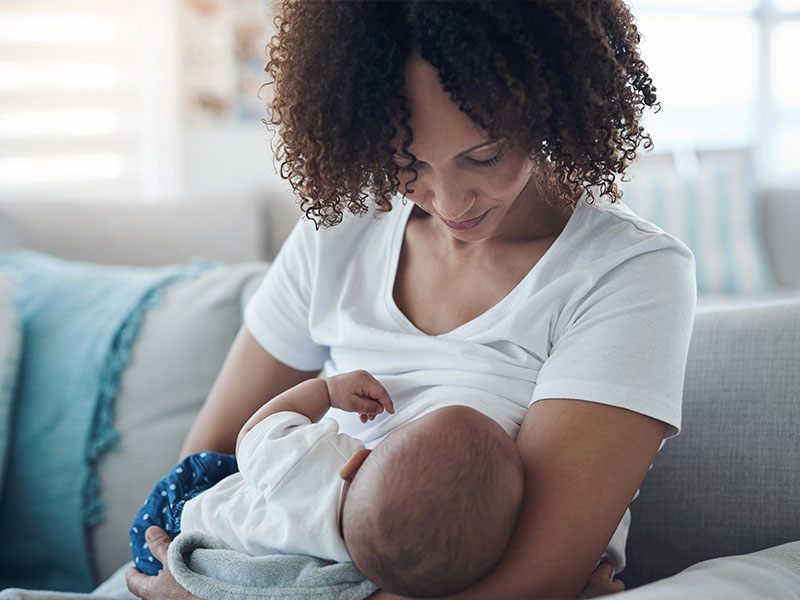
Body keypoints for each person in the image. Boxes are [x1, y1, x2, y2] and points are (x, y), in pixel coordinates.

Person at [127, 2, 696, 599]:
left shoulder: (627, 272)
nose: (450, 203)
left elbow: (531, 581)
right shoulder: (341, 230)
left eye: (484, 156)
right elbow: (200, 472)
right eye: (407, 163)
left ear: (553, 99)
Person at [130, 370, 524, 598]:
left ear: (358, 460)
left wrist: (326, 391)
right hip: (209, 568)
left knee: (222, 467)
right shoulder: (361, 574)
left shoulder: (317, 459)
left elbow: (252, 434)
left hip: (179, 518)